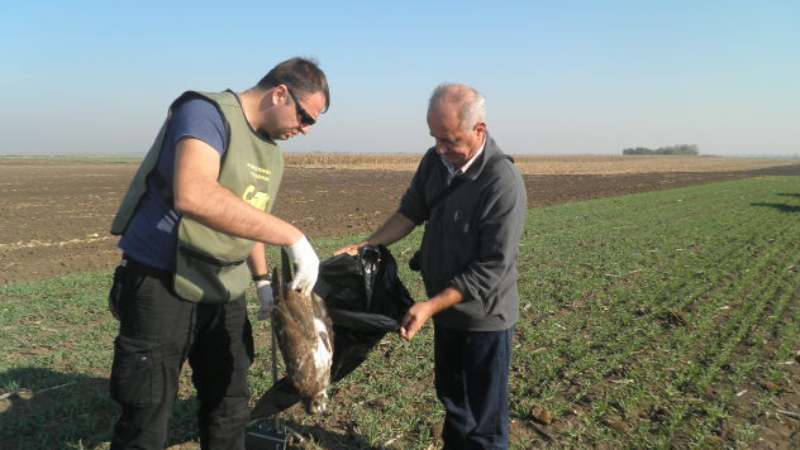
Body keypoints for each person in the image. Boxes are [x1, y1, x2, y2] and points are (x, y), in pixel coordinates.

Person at [107, 57, 329, 450]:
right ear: (280, 93)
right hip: (164, 280)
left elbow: (248, 216)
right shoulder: (205, 114)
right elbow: (194, 193)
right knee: (148, 408)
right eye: (305, 117)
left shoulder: (270, 150)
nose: (305, 129)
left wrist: (261, 280)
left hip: (224, 287)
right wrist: (292, 236)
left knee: (229, 402)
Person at [337, 83, 527, 449]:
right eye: (434, 138)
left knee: (483, 421)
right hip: (445, 312)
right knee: (454, 405)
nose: (439, 149)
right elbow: (411, 210)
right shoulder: (435, 162)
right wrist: (368, 244)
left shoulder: (502, 183)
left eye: (450, 140)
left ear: (479, 131)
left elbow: (491, 267)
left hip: (484, 319)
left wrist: (429, 305)